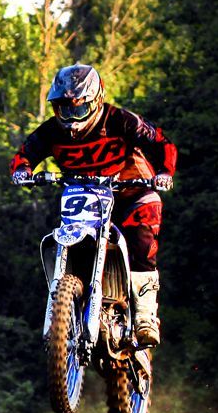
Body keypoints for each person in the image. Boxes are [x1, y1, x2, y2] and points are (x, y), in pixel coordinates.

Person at [10, 64, 177, 346]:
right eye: (64, 110)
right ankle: (62, 313)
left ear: (96, 101)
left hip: (132, 191)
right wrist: (22, 170)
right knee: (66, 237)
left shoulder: (121, 121)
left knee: (141, 236)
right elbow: (25, 153)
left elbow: (161, 142)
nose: (71, 119)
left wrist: (164, 172)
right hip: (84, 197)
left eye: (78, 110)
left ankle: (146, 315)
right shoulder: (51, 132)